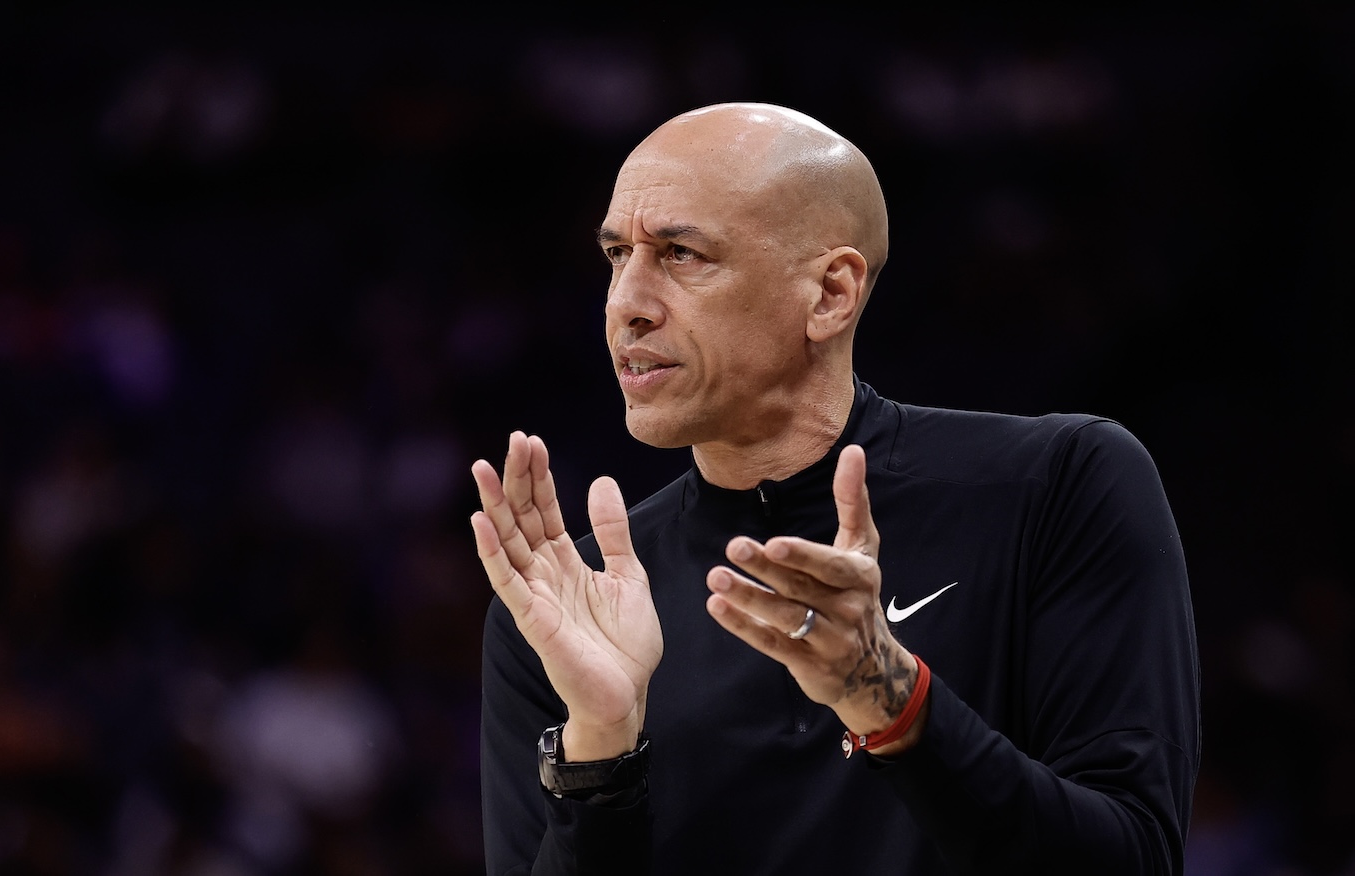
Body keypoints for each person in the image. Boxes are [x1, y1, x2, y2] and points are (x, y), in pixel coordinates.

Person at [469, 102, 1199, 875]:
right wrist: (601, 754)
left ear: (830, 294)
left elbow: (1135, 858)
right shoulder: (565, 613)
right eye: (618, 254)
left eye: (680, 253)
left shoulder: (1055, 485)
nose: (625, 303)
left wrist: (893, 700)